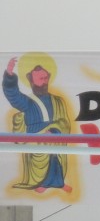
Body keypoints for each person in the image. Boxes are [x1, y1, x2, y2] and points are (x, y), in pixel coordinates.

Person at [2, 56, 73, 193]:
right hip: (36, 138)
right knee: (42, 163)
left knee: (55, 160)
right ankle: (41, 184)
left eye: (46, 78)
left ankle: (59, 183)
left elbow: (64, 121)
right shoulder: (28, 101)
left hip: (54, 136)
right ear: (32, 81)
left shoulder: (58, 101)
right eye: (41, 79)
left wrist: (54, 130)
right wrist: (10, 76)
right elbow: (13, 96)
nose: (44, 81)